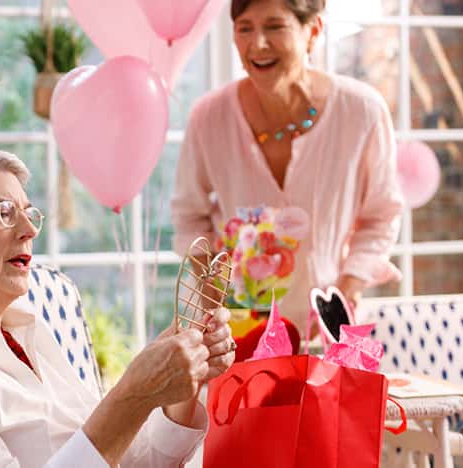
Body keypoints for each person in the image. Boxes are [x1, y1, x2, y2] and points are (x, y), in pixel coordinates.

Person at [0, 148, 237, 467]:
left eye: (28, 213)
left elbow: (136, 461)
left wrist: (183, 380)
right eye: (2, 212)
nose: (29, 229)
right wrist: (133, 394)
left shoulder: (28, 332)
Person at [171, 0, 403, 326]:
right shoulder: (208, 118)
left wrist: (347, 290)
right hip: (241, 334)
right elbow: (188, 217)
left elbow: (382, 214)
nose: (258, 44)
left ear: (313, 31)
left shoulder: (362, 112)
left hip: (327, 329)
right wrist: (217, 296)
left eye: (275, 26)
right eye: (245, 28)